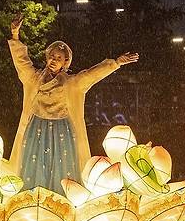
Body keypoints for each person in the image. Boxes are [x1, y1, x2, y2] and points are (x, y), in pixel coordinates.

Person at [8, 13, 139, 192]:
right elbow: (22, 63)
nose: (54, 60)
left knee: (62, 167)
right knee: (35, 165)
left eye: (59, 58)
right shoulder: (34, 79)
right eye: (52, 56)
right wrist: (15, 35)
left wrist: (115, 63)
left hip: (63, 130)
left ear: (65, 63)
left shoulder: (71, 83)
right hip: (36, 129)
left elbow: (91, 74)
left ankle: (62, 202)